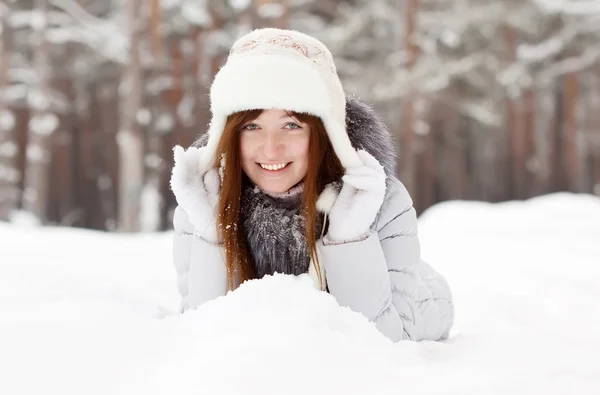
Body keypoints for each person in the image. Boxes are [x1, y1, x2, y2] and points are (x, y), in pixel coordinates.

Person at [170, 28, 454, 342]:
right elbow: (202, 336)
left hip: (420, 301)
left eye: (291, 125)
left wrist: (350, 239)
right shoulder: (203, 203)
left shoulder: (381, 202)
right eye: (252, 126)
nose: (270, 148)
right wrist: (214, 232)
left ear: (323, 131)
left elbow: (385, 344)